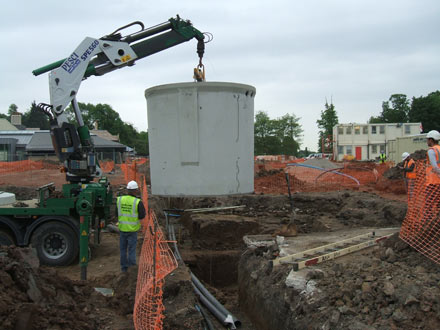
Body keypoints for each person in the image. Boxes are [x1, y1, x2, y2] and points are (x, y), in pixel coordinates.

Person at [117, 180, 146, 272]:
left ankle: (124, 268)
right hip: (132, 230)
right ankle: (132, 268)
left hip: (122, 229)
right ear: (135, 190)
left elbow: (116, 213)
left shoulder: (120, 200)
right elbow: (142, 215)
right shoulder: (137, 202)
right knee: (131, 249)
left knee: (123, 249)